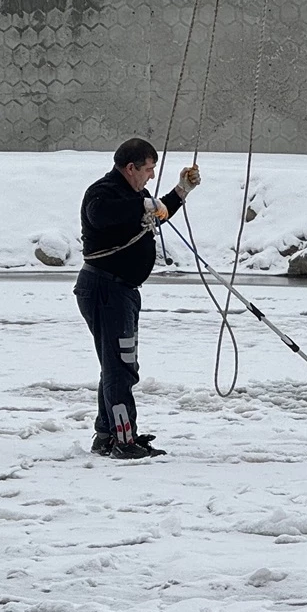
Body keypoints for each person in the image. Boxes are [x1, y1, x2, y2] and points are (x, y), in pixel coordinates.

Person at [75, 137, 201, 459]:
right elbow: (103, 214)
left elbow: (156, 212)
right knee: (121, 368)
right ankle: (124, 440)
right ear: (130, 168)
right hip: (105, 290)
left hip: (121, 292)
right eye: (147, 170)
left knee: (115, 365)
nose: (150, 176)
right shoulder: (103, 192)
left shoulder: (137, 195)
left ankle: (107, 435)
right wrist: (144, 205)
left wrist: (180, 191)